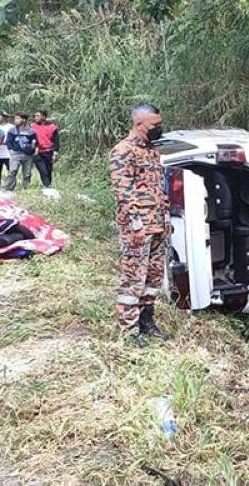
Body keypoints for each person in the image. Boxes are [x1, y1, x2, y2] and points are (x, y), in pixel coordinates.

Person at [108, 104, 170, 346]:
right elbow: (124, 192)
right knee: (133, 279)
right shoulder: (123, 151)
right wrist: (135, 225)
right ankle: (129, 330)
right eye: (154, 125)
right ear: (139, 124)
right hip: (138, 228)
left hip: (156, 225)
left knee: (153, 278)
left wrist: (165, 219)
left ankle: (147, 322)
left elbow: (158, 189)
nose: (159, 128)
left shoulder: (152, 150)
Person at [4, 113, 37, 191]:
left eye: (18, 118)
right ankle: (9, 188)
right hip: (15, 154)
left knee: (27, 173)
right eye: (15, 118)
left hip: (28, 155)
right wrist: (11, 151)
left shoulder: (31, 131)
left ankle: (26, 188)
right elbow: (8, 142)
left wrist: (32, 149)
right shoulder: (12, 130)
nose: (16, 120)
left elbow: (34, 141)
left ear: (24, 120)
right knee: (12, 171)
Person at [30, 110, 59, 188]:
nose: (35, 117)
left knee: (48, 170)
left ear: (43, 116)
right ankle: (46, 186)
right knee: (43, 170)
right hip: (37, 152)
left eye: (38, 116)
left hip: (49, 151)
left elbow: (56, 140)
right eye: (35, 116)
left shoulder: (52, 127)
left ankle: (48, 185)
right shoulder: (32, 126)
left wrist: (55, 153)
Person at [0, 112, 14, 183]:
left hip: (8, 152)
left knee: (11, 170)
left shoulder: (11, 127)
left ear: (4, 117)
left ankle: (11, 185)